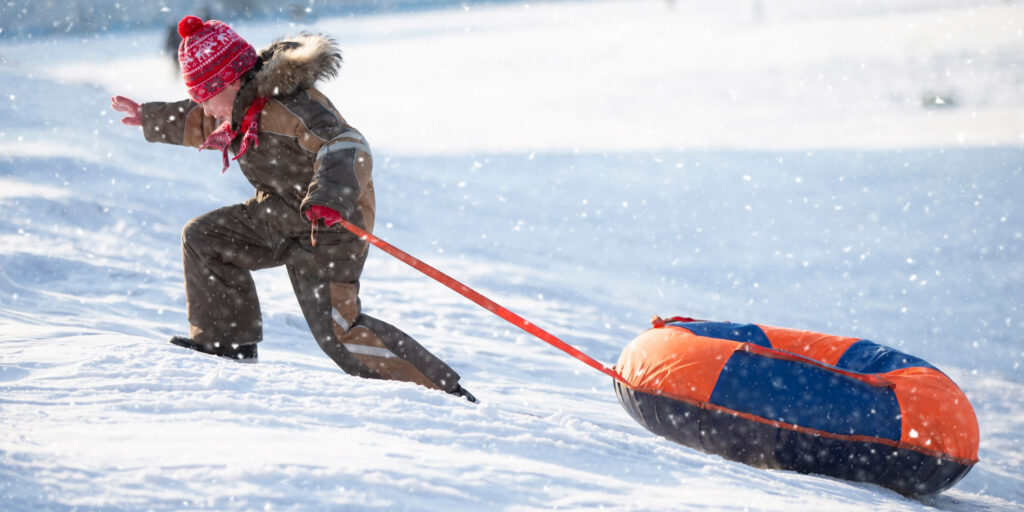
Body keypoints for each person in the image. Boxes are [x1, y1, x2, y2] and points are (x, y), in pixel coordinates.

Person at [111, 15, 475, 403]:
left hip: (331, 225)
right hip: (280, 215)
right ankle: (226, 346)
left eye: (206, 97)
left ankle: (443, 392)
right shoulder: (237, 107)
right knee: (205, 238)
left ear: (230, 82)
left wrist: (328, 198)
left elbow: (346, 146)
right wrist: (149, 117)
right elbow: (199, 120)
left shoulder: (292, 107)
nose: (205, 109)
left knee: (339, 335)